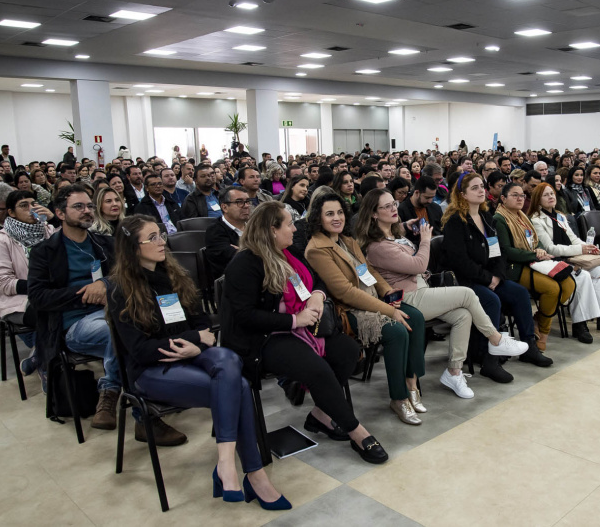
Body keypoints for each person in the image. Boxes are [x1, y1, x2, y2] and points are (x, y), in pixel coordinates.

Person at [107, 215, 289, 509]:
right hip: (153, 370)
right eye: (151, 238)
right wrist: (191, 340)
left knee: (228, 359)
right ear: (131, 248)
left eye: (161, 235)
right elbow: (140, 350)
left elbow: (202, 322)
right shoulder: (120, 290)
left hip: (194, 355)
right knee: (238, 387)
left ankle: (227, 465)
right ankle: (253, 474)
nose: (161, 242)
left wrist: (192, 343)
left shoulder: (174, 274)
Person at [222, 201, 388, 463]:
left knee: (348, 351)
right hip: (265, 337)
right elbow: (245, 316)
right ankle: (358, 432)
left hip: (304, 327)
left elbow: (317, 280)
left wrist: (317, 297)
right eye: (288, 224)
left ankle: (321, 414)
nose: (294, 228)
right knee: (318, 370)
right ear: (271, 230)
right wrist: (293, 320)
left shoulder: (289, 253)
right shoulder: (245, 263)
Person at [28, 185, 186, 444]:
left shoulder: (105, 243)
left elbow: (130, 275)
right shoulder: (44, 251)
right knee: (121, 333)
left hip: (114, 310)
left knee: (135, 330)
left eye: (89, 206)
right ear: (59, 212)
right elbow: (37, 298)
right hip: (74, 323)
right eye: (78, 207)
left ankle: (114, 391)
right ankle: (143, 416)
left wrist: (106, 285)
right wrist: (83, 292)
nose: (87, 211)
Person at [359, 189, 527, 399]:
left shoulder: (394, 234)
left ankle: (454, 372)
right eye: (386, 207)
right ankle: (495, 340)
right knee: (467, 294)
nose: (394, 209)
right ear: (374, 214)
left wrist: (405, 227)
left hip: (422, 290)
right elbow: (419, 265)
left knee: (463, 315)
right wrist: (425, 239)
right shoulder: (377, 246)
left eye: (393, 203)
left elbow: (398, 238)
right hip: (408, 297)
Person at [304, 192, 427, 426]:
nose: (337, 218)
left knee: (416, 318)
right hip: (350, 311)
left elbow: (368, 272)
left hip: (370, 298)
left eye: (340, 212)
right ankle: (399, 398)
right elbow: (344, 292)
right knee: (397, 331)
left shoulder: (347, 240)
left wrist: (387, 291)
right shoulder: (317, 249)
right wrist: (388, 310)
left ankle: (412, 384)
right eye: (330, 214)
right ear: (318, 218)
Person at [441, 173, 539, 383]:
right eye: (475, 188)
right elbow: (460, 263)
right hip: (466, 282)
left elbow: (498, 252)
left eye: (482, 187)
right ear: (462, 195)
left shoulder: (487, 216)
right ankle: (489, 361)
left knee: (520, 293)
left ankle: (529, 345)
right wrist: (488, 279)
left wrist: (497, 276)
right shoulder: (455, 222)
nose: (481, 191)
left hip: (490, 277)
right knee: (491, 301)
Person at [528, 183, 600, 340]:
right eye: (546, 195)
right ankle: (580, 324)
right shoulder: (536, 219)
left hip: (571, 257)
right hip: (553, 261)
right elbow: (551, 249)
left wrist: (588, 247)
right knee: (583, 276)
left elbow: (573, 239)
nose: (551, 197)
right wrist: (580, 250)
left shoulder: (560, 216)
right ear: (537, 199)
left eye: (552, 193)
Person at [494, 183, 570, 359]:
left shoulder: (522, 216)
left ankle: (538, 320)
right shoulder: (499, 219)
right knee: (552, 289)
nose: (520, 198)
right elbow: (506, 251)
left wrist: (541, 250)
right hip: (515, 267)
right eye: (515, 195)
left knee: (567, 284)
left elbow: (536, 241)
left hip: (532, 261)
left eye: (522, 195)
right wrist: (534, 255)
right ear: (503, 199)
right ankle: (543, 332)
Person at [0, 190, 55, 376]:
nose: (31, 209)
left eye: (33, 204)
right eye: (23, 205)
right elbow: (3, 282)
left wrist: (57, 221)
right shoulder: (0, 241)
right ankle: (47, 367)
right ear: (11, 212)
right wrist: (37, 287)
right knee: (51, 313)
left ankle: (39, 356)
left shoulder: (49, 231)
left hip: (50, 294)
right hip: (19, 301)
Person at [204, 187, 251, 277]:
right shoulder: (214, 231)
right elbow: (233, 258)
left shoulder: (254, 226)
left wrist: (241, 250)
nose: (246, 206)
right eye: (239, 202)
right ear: (225, 207)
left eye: (247, 201)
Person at [397, 176, 444, 242]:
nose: (430, 201)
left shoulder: (436, 208)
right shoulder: (401, 210)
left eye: (432, 197)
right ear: (417, 193)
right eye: (427, 198)